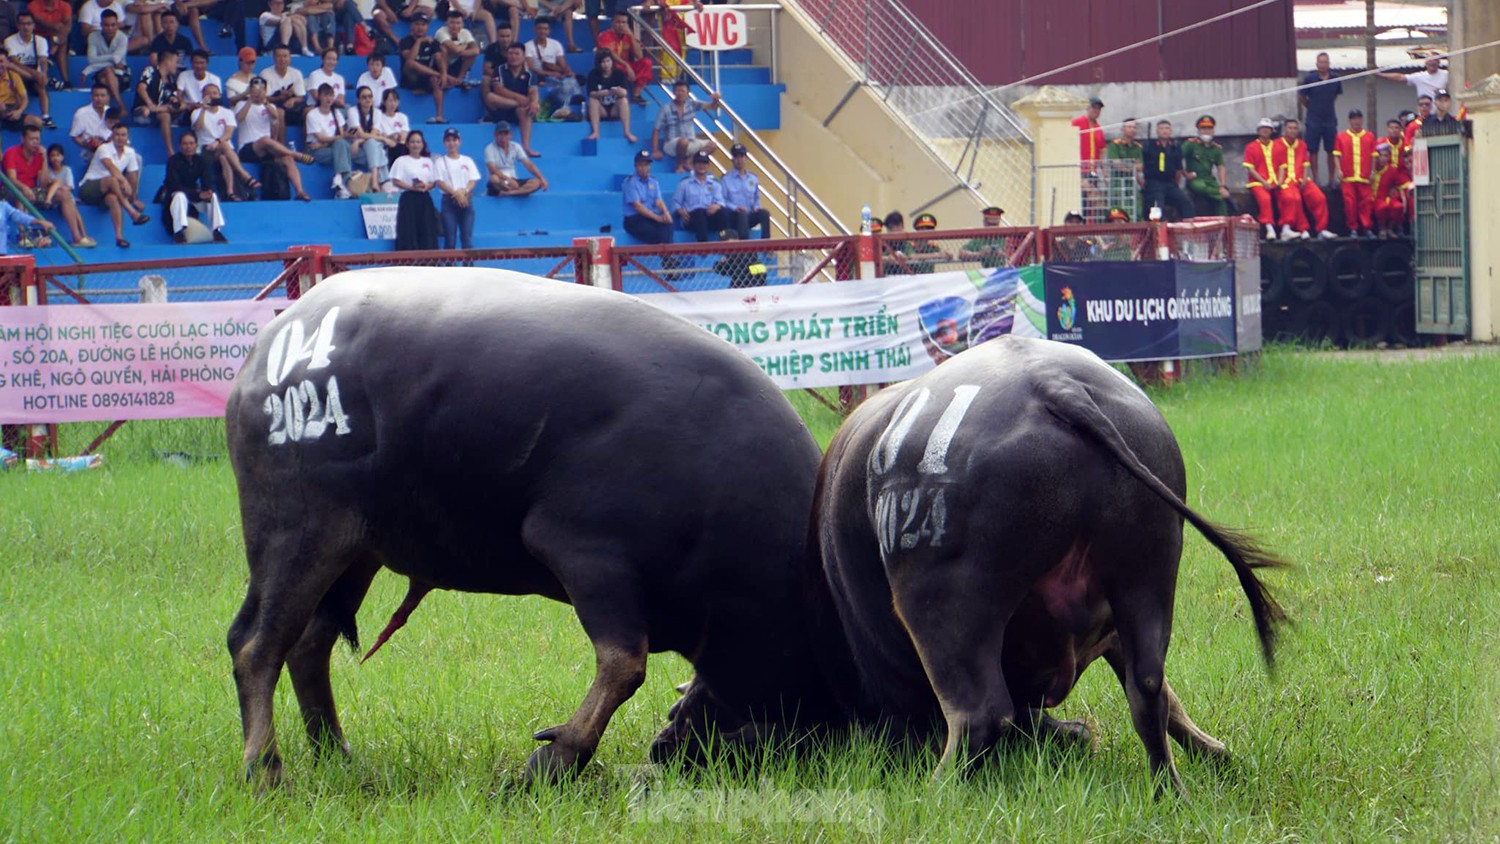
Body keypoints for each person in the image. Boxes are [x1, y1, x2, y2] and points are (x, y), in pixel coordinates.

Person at [236, 74, 315, 200]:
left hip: (267, 149)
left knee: (287, 159)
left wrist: (265, 102)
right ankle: (297, 154)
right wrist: (250, 100)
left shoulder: (269, 106)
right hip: (248, 148)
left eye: (261, 89)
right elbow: (238, 120)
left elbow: (275, 118)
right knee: (265, 140)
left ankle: (300, 191)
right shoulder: (242, 104)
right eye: (256, 89)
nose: (258, 92)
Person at [78, 122, 150, 247]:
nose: (120, 138)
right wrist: (123, 182)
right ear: (112, 136)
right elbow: (111, 167)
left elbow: (133, 175)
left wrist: (133, 198)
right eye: (117, 135)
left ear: (128, 137)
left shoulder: (130, 152)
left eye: (123, 135)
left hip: (108, 192)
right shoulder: (104, 148)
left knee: (113, 198)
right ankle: (132, 213)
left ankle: (119, 237)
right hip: (89, 188)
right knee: (112, 180)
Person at [193, 82, 258, 198]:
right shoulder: (196, 112)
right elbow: (198, 127)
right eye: (208, 94)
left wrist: (217, 142)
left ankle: (230, 192)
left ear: (219, 95)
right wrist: (203, 109)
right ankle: (245, 175)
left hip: (222, 148)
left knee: (224, 156)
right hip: (205, 148)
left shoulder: (227, 112)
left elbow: (229, 133)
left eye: (215, 93)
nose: (212, 96)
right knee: (224, 146)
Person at [161, 131, 227, 242]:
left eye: (191, 143)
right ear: (180, 146)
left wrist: (208, 191)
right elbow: (174, 185)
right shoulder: (173, 161)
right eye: (185, 144)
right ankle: (179, 232)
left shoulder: (201, 160)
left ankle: (217, 230)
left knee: (213, 197)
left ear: (196, 145)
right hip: (176, 196)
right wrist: (198, 194)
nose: (188, 147)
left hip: (194, 196)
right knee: (180, 196)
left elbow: (207, 180)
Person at [1277, 118, 1334, 240]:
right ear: (1285, 130)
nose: (1292, 131)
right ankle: (1301, 229)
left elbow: (1305, 164)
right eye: (1290, 128)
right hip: (1286, 181)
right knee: (1293, 198)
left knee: (1319, 197)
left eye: (1295, 128)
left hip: (1301, 179)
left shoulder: (1302, 145)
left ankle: (1322, 229)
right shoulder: (1277, 144)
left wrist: (1304, 179)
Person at [651, 78, 718, 172]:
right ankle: (679, 166)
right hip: (671, 144)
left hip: (691, 141)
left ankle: (689, 161)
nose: (680, 93)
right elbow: (656, 130)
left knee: (712, 145)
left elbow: (712, 107)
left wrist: (716, 100)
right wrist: (655, 150)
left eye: (682, 91)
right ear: (674, 92)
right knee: (683, 141)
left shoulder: (692, 104)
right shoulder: (665, 108)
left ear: (687, 93)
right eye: (677, 91)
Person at [485, 42, 541, 154]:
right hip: (502, 106)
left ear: (523, 56)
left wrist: (534, 102)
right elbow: (498, 89)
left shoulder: (529, 73)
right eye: (510, 53)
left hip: (518, 110)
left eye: (517, 54)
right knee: (490, 97)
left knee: (525, 111)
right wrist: (519, 99)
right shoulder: (499, 69)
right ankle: (519, 104)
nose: (513, 57)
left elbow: (533, 91)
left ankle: (526, 148)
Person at [389, 128, 439, 249]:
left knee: (426, 228)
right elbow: (396, 180)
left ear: (422, 144)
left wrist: (427, 186)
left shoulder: (428, 161)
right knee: (408, 229)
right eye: (412, 142)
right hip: (409, 198)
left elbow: (434, 181)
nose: (415, 145)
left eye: (418, 142)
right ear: (407, 144)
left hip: (424, 198)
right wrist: (411, 187)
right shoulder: (401, 161)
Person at [399, 13, 453, 124]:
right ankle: (438, 76)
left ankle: (439, 116)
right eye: (417, 24)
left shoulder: (433, 42)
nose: (420, 27)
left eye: (423, 25)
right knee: (411, 63)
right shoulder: (405, 42)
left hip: (426, 77)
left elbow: (439, 59)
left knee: (435, 80)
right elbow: (410, 59)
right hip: (410, 78)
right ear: (411, 26)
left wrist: (443, 73)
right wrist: (419, 42)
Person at [38, 143, 95, 246]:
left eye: (58, 155)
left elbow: (70, 186)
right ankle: (78, 237)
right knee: (59, 185)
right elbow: (45, 185)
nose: (55, 158)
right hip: (54, 196)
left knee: (75, 210)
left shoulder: (67, 170)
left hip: (66, 195)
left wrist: (61, 188)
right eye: (52, 156)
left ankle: (83, 234)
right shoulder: (48, 171)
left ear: (62, 157)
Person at [5, 11, 55, 128]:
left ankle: (46, 116)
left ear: (34, 25)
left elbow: (43, 60)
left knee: (40, 84)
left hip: (35, 76)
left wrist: (43, 74)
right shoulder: (10, 41)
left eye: (28, 24)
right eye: (22, 24)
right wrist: (35, 74)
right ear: (18, 26)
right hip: (18, 74)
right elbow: (15, 62)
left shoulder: (40, 40)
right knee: (13, 68)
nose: (26, 27)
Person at [433, 126, 480, 249]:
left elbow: (473, 179)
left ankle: (469, 266)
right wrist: (456, 194)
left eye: (454, 140)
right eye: (448, 140)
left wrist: (464, 191)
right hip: (449, 200)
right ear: (444, 143)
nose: (451, 143)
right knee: (450, 238)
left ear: (459, 142)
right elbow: (440, 181)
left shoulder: (467, 160)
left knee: (467, 238)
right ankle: (449, 267)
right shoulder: (440, 161)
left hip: (466, 199)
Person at [306, 81, 355, 197]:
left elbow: (340, 135)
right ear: (320, 97)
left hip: (330, 146)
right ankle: (346, 181)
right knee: (342, 147)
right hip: (316, 150)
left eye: (331, 95)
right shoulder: (312, 115)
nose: (329, 98)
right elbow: (320, 138)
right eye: (325, 95)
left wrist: (325, 143)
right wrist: (325, 143)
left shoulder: (336, 113)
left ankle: (339, 177)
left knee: (342, 145)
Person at [1299, 51, 1341, 184]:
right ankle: (1316, 178)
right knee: (1313, 150)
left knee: (1332, 150)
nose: (1323, 65)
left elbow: (1335, 96)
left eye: (1325, 62)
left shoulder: (1335, 78)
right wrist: (1312, 107)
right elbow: (1302, 97)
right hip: (1313, 119)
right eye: (1321, 62)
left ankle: (1331, 179)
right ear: (1317, 64)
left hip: (1329, 119)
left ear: (1329, 64)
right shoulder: (1309, 78)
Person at [525, 16, 578, 119]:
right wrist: (550, 74)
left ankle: (567, 109)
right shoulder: (528, 46)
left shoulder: (556, 44)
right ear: (534, 30)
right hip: (535, 76)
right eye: (539, 28)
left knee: (570, 81)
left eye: (545, 29)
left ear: (549, 31)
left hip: (553, 76)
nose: (542, 31)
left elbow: (563, 64)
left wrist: (569, 72)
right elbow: (530, 67)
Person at [1333, 108, 1376, 238]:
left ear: (1362, 120)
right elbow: (1336, 155)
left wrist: (1373, 171)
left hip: (1364, 176)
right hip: (1348, 176)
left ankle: (1367, 227)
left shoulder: (1369, 136)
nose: (1356, 121)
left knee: (1366, 202)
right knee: (1349, 203)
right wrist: (1338, 169)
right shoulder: (1341, 136)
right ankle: (1353, 228)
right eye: (1353, 119)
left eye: (1358, 118)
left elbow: (1374, 155)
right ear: (1349, 121)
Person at [1140, 119, 1193, 222]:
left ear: (1171, 131)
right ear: (1157, 131)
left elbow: (1179, 168)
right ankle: (1157, 234)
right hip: (1154, 183)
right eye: (1162, 128)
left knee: (1186, 202)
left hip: (1170, 183)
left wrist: (1176, 184)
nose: (1165, 131)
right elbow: (1142, 163)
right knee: (1157, 208)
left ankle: (1188, 231)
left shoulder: (1175, 147)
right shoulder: (1149, 145)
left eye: (1167, 128)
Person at [671, 148, 725, 242]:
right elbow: (675, 204)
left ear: (708, 166)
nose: (702, 166)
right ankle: (704, 247)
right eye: (699, 163)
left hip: (709, 217)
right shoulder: (684, 184)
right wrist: (681, 212)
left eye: (704, 163)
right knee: (699, 212)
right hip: (691, 219)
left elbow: (721, 202)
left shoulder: (715, 185)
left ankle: (726, 243)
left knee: (723, 212)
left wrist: (716, 206)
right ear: (693, 165)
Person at [1243, 117, 1284, 239]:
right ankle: (1269, 227)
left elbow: (1283, 167)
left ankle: (1287, 227)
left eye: (1268, 129)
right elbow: (1250, 168)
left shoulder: (1278, 146)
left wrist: (1280, 182)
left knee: (1289, 197)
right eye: (1263, 129)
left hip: (1276, 181)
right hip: (1258, 182)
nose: (1265, 131)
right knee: (1265, 198)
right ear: (1258, 131)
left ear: (1272, 131)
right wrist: (1263, 182)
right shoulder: (1251, 147)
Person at [596, 11, 649, 104]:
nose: (621, 25)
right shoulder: (604, 35)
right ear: (612, 23)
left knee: (647, 63)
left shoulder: (628, 36)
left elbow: (639, 56)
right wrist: (626, 65)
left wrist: (631, 36)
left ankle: (636, 95)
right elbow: (610, 53)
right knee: (618, 67)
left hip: (627, 66)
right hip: (611, 65)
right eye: (618, 22)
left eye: (624, 22)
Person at [1182, 114, 1230, 217]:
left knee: (1221, 202)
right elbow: (1177, 159)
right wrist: (1185, 174)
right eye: (1203, 128)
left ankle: (1224, 222)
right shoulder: (1190, 144)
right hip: (1195, 179)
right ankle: (1219, 195)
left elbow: (1221, 167)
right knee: (1204, 189)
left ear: (1213, 131)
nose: (1206, 131)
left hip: (1209, 180)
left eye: (1209, 128)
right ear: (1198, 130)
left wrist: (1222, 185)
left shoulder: (1216, 148)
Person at [82, 9, 129, 112]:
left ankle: (107, 113)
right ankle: (120, 106)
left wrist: (89, 69)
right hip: (100, 73)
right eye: (107, 25)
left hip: (121, 75)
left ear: (117, 24)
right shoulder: (93, 36)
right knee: (107, 70)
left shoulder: (123, 38)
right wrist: (112, 59)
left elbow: (117, 58)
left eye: (113, 25)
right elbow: (92, 59)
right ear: (101, 25)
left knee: (106, 77)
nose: (110, 28)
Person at [621, 147, 671, 244]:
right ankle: (667, 257)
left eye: (646, 165)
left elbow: (658, 201)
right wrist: (657, 218)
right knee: (656, 233)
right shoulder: (630, 182)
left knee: (668, 225)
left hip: (649, 216)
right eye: (641, 165)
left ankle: (667, 257)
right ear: (635, 166)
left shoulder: (653, 181)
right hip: (634, 219)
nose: (644, 168)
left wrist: (665, 213)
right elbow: (637, 206)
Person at [483, 119, 545, 195]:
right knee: (493, 179)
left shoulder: (516, 146)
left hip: (514, 180)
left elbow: (528, 164)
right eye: (500, 134)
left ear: (510, 135)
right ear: (495, 135)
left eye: (506, 133)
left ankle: (511, 193)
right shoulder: (489, 148)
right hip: (502, 180)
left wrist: (541, 178)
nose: (503, 136)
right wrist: (507, 179)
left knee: (536, 182)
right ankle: (517, 192)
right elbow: (492, 169)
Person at [584, 49, 634, 143]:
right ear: (599, 63)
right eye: (603, 62)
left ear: (612, 62)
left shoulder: (619, 73)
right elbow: (591, 93)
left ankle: (627, 132)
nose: (606, 64)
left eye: (608, 61)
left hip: (615, 108)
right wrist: (604, 93)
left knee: (624, 100)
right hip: (601, 108)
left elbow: (624, 92)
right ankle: (596, 132)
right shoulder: (593, 74)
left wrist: (616, 91)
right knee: (592, 101)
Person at [719, 142, 767, 239]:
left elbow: (756, 198)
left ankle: (767, 245)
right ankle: (745, 246)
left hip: (748, 215)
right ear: (732, 159)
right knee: (742, 214)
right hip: (733, 216)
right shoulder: (726, 179)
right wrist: (735, 207)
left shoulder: (753, 179)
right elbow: (722, 200)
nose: (739, 160)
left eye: (741, 156)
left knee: (764, 214)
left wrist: (757, 207)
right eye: (736, 157)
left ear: (746, 158)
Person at [345, 84, 389, 188]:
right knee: (378, 151)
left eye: (370, 96)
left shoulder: (377, 112)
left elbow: (372, 135)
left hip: (367, 148)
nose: (367, 99)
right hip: (355, 150)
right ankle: (383, 182)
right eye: (364, 97)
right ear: (358, 100)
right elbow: (361, 134)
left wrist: (359, 141)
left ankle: (375, 182)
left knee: (372, 144)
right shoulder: (352, 111)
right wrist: (383, 138)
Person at [261, 44, 306, 137]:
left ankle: (308, 147)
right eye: (279, 56)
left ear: (290, 58)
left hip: (292, 107)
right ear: (274, 58)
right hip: (273, 105)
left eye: (285, 56)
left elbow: (301, 97)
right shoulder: (265, 74)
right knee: (280, 113)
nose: (282, 59)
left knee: (309, 112)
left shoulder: (296, 73)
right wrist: (280, 98)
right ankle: (281, 148)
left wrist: (293, 100)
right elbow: (264, 98)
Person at [1071, 96, 1104, 218]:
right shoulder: (1077, 123)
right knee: (1082, 202)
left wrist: (1104, 171)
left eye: (1098, 109)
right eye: (1094, 108)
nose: (1096, 111)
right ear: (1087, 108)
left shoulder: (1098, 128)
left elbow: (1101, 151)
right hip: (1080, 170)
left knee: (1093, 204)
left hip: (1092, 171)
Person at [1104, 117, 1143, 220]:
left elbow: (1141, 166)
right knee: (1119, 210)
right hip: (1117, 182)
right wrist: (1132, 166)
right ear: (1122, 129)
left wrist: (1126, 166)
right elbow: (1116, 164)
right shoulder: (1114, 145)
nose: (1132, 129)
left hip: (1131, 182)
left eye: (1134, 127)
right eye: (1129, 127)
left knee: (1137, 207)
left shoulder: (1137, 147)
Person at [27, 0, 72, 90]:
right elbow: (39, 22)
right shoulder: (33, 5)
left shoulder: (64, 6)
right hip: (37, 37)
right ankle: (65, 79)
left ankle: (66, 80)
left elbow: (67, 25)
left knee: (63, 40)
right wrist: (54, 26)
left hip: (57, 38)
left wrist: (57, 40)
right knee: (56, 38)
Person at [1373, 146, 1413, 239]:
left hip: (1385, 198)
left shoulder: (1391, 170)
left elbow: (1400, 184)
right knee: (1382, 207)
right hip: (1373, 199)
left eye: (1386, 156)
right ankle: (1381, 229)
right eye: (1381, 156)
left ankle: (1389, 228)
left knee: (1398, 206)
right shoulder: (1371, 169)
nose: (1383, 159)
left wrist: (1402, 194)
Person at [433, 9, 478, 89]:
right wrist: (464, 46)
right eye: (452, 23)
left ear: (462, 24)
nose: (455, 26)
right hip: (440, 65)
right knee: (443, 50)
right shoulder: (441, 32)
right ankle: (446, 76)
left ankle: (460, 79)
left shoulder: (465, 32)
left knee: (472, 55)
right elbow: (455, 49)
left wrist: (459, 51)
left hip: (455, 63)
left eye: (458, 23)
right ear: (446, 23)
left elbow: (476, 51)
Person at [1378, 55, 1447, 104]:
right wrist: (1381, 74)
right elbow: (1401, 77)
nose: (1432, 62)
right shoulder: (1420, 76)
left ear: (1439, 63)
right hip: (1425, 111)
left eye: (1435, 60)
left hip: (1443, 111)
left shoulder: (1446, 74)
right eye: (1430, 61)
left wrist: (1442, 91)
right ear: (1425, 63)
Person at [70, 83, 113, 160]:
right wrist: (87, 145)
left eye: (103, 96)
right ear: (91, 96)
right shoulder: (81, 113)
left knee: (136, 158)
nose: (99, 99)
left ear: (108, 97)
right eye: (96, 95)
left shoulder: (110, 111)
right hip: (91, 150)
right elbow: (75, 136)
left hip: (110, 147)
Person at [305, 46, 346, 110]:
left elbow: (341, 98)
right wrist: (333, 101)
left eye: (334, 59)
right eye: (329, 59)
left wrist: (337, 102)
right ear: (322, 59)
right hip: (316, 106)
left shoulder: (340, 78)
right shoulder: (314, 75)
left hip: (335, 107)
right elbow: (316, 96)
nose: (331, 62)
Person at [374, 86, 409, 162]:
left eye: (395, 101)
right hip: (386, 146)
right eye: (390, 101)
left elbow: (403, 136)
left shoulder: (402, 117)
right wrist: (391, 137)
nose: (393, 104)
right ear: (384, 102)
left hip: (401, 145)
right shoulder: (379, 117)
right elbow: (378, 134)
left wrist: (392, 136)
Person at [0, 51, 27, 128]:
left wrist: (19, 111)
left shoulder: (14, 76)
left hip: (11, 110)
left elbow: (24, 98)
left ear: (7, 63)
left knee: (36, 121)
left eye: (1, 61)